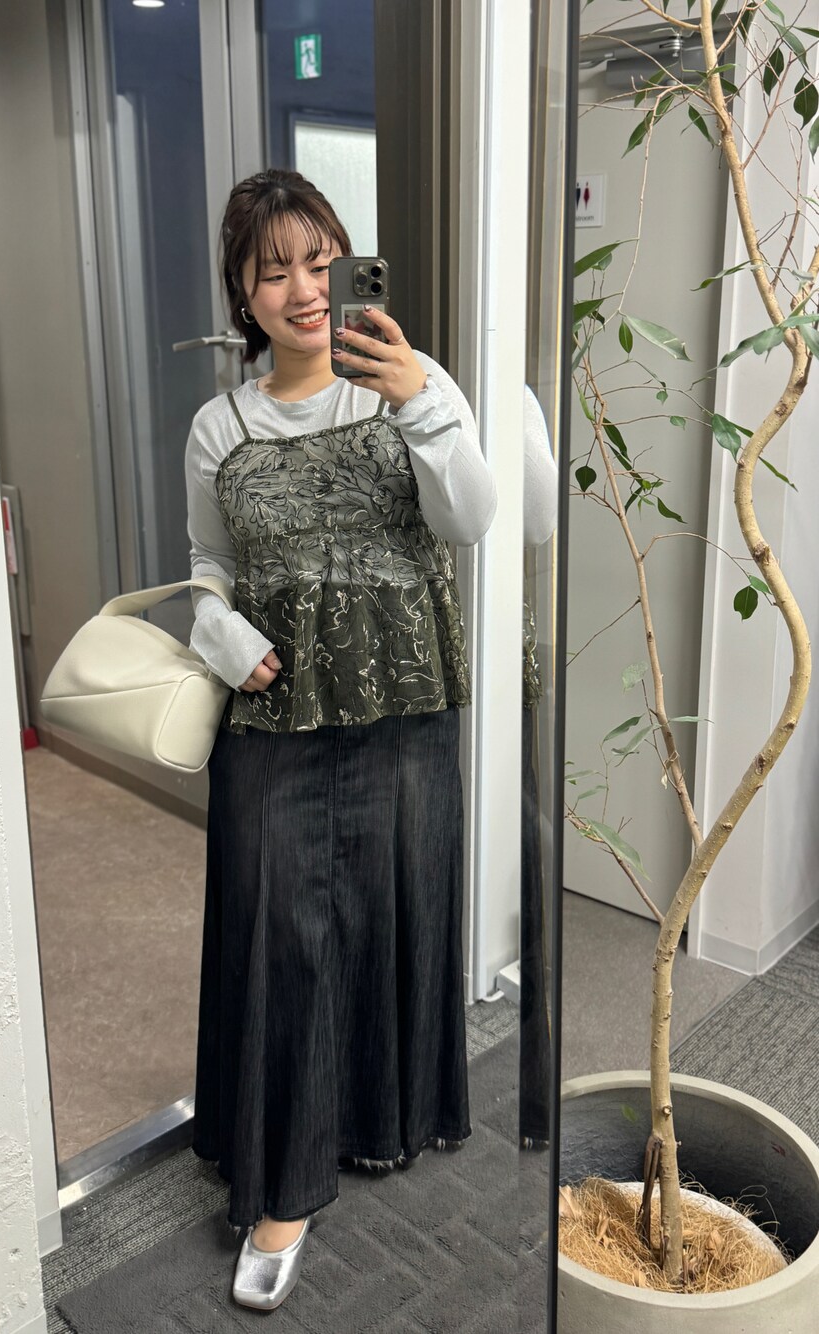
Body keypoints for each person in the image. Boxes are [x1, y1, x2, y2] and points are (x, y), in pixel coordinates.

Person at [184, 167, 501, 1312]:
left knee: (389, 914)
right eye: (274, 270)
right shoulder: (219, 424)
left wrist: (421, 402)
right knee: (283, 934)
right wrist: (219, 633)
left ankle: (380, 1117)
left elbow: (469, 519)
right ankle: (281, 1189)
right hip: (273, 713)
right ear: (243, 293)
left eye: (320, 261)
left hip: (403, 706)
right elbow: (207, 564)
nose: (305, 289)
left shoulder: (410, 383)